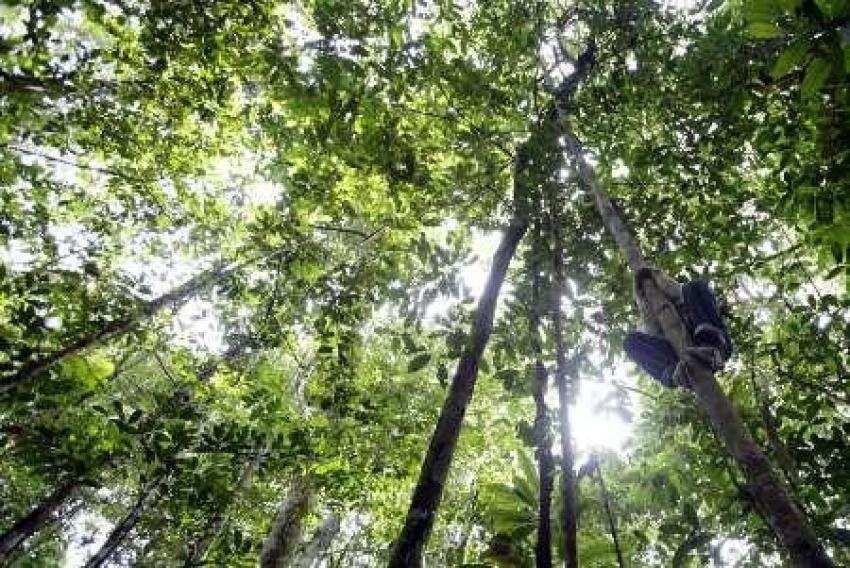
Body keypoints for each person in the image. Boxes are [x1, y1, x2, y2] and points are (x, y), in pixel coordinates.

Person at [624, 278, 733, 388]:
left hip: (712, 343)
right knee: (630, 342)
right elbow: (653, 332)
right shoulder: (645, 323)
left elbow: (676, 289)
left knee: (693, 285)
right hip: (679, 359)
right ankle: (675, 374)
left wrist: (653, 278)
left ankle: (712, 345)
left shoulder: (688, 296)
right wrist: (643, 298)